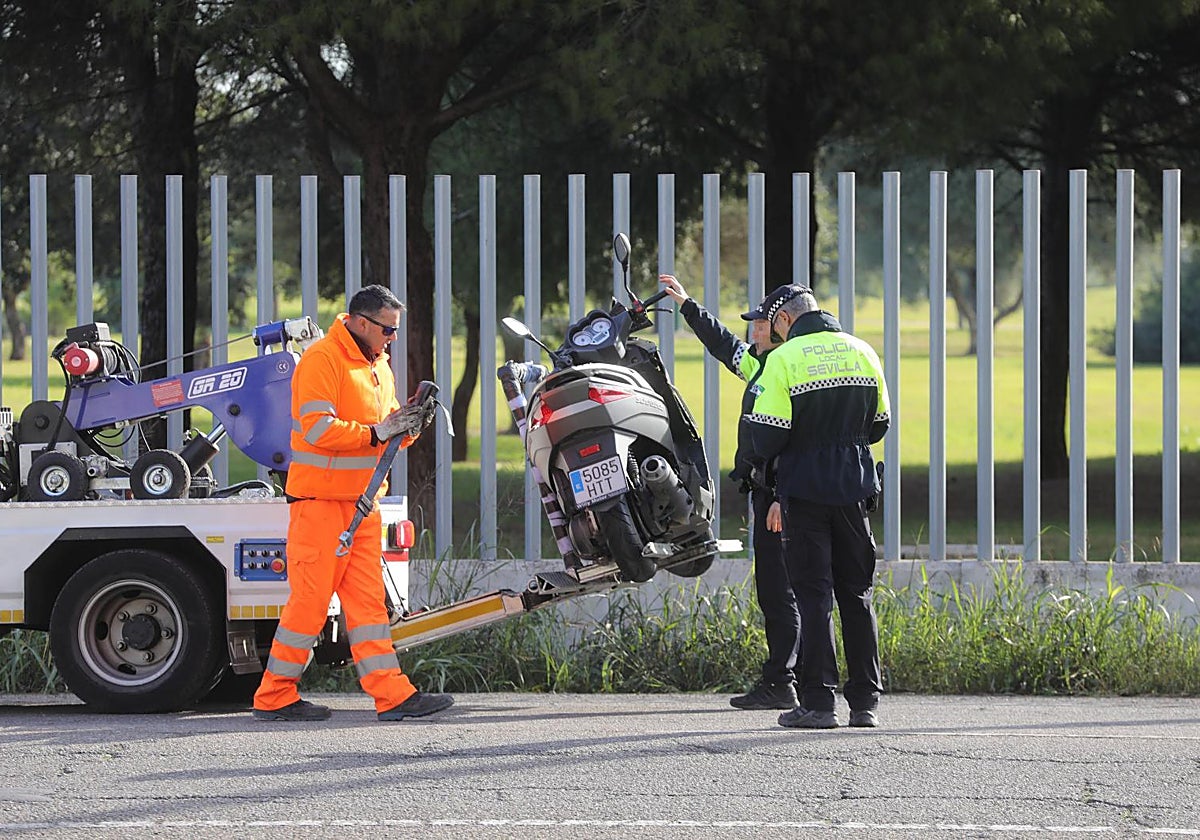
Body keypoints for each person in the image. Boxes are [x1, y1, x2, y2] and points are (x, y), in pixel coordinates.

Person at [252, 284, 453, 722]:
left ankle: (393, 695)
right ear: (361, 322)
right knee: (310, 603)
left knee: (367, 607)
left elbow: (386, 433)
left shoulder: (378, 365)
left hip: (361, 508)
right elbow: (318, 428)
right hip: (320, 506)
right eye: (387, 329)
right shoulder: (322, 361)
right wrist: (378, 433)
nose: (393, 338)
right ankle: (274, 696)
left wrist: (409, 425)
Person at [745, 284, 890, 729]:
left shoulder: (783, 361)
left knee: (813, 597)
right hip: (853, 492)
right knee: (857, 596)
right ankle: (865, 704)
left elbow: (767, 435)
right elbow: (880, 424)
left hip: (804, 494)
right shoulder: (863, 351)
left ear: (784, 320)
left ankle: (818, 703)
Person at [659, 275, 802, 711]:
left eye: (759, 323)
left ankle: (785, 681)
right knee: (777, 589)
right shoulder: (761, 364)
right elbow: (723, 344)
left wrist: (778, 494)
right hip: (768, 492)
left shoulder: (781, 369)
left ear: (778, 327)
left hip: (782, 495)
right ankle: (791, 679)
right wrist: (687, 305)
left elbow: (788, 442)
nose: (752, 329)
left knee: (783, 590)